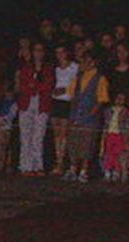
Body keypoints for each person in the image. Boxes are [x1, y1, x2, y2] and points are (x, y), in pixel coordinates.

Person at [65, 50, 110, 183]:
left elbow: (101, 100)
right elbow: (72, 95)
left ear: (93, 63)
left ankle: (84, 171)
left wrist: (91, 113)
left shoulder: (100, 78)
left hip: (90, 118)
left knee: (87, 145)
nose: (83, 64)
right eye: (83, 61)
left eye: (86, 61)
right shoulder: (78, 77)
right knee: (73, 143)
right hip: (76, 116)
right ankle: (73, 169)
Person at [17, 42, 54, 176]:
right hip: (26, 103)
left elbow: (48, 85)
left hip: (42, 104)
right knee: (25, 135)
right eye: (36, 50)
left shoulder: (48, 68)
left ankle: (38, 165)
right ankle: (25, 166)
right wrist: (34, 87)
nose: (38, 53)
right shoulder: (26, 67)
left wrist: (35, 86)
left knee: (38, 136)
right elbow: (22, 85)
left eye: (40, 50)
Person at [50, 44, 79, 175]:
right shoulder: (55, 68)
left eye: (62, 52)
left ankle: (62, 162)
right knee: (56, 134)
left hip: (67, 101)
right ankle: (58, 161)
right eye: (57, 53)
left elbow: (77, 85)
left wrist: (65, 90)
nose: (60, 55)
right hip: (56, 101)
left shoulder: (74, 67)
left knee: (64, 134)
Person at [101, 92, 129, 182]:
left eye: (122, 99)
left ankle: (116, 171)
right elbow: (105, 122)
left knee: (118, 154)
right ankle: (107, 171)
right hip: (109, 134)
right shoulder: (108, 110)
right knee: (108, 153)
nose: (119, 100)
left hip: (120, 135)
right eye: (118, 98)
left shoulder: (127, 112)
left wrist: (125, 128)